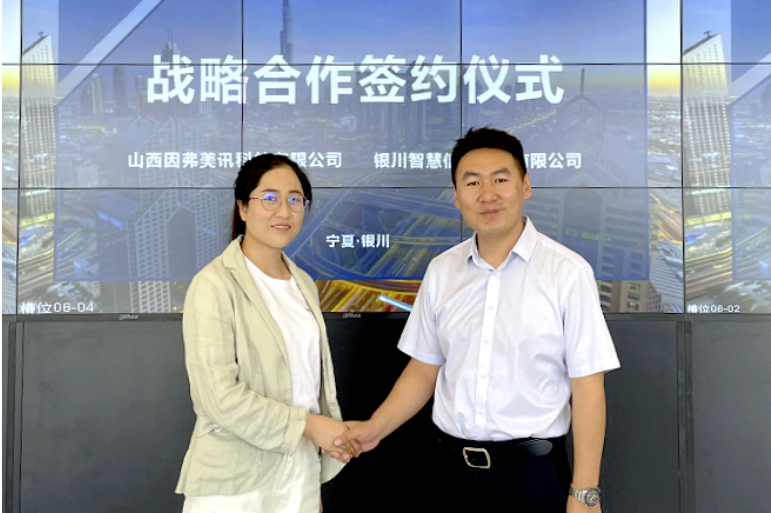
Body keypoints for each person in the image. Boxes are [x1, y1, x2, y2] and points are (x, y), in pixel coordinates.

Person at [334, 128, 620, 512]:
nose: (487, 194)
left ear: (525, 185)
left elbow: (588, 388)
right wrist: (375, 428)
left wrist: (585, 492)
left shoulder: (567, 273)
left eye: (500, 179)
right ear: (456, 195)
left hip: (532, 477)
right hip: (449, 474)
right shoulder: (442, 271)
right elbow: (424, 369)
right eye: (472, 182)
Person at [176, 154, 358, 513]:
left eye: (295, 199)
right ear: (243, 208)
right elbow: (217, 398)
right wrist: (309, 426)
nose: (284, 210)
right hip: (235, 479)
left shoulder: (303, 283)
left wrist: (310, 466)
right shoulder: (213, 284)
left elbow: (308, 385)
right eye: (270, 198)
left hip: (300, 469)